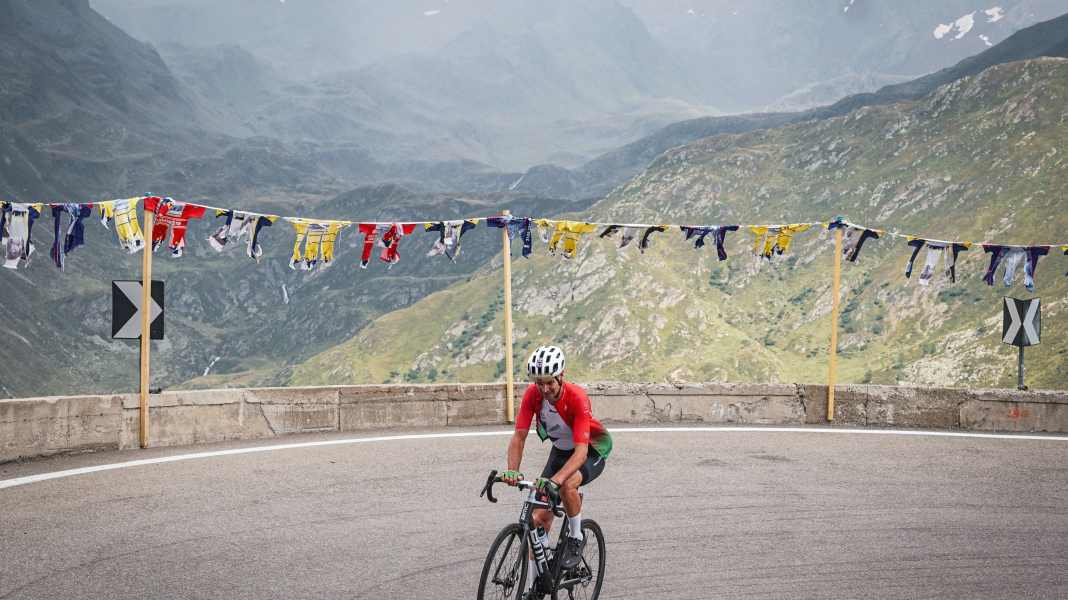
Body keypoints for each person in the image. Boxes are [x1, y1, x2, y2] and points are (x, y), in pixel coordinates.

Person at [500, 345, 613, 573]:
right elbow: (519, 436)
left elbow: (580, 453)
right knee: (537, 519)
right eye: (539, 382)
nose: (544, 388)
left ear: (561, 376)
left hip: (591, 451)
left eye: (549, 382)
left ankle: (575, 537)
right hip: (560, 452)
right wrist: (512, 470)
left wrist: (556, 480)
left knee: (567, 486)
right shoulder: (533, 395)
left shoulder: (577, 397)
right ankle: (534, 585)